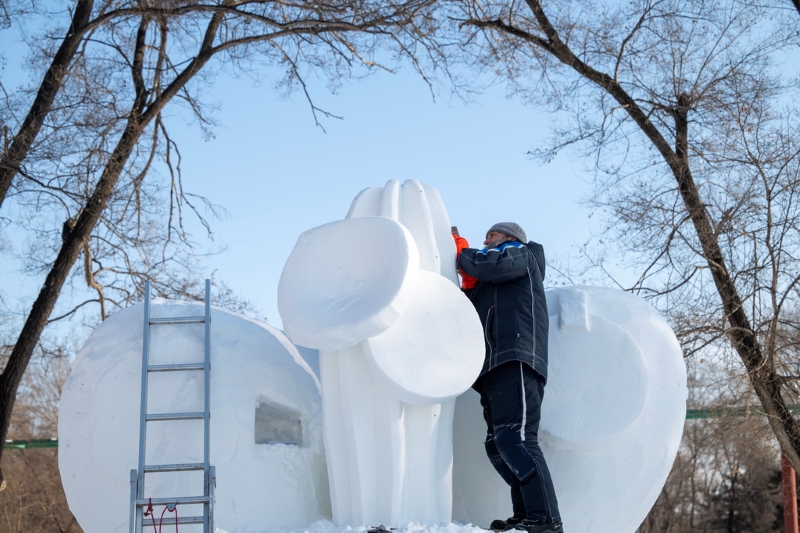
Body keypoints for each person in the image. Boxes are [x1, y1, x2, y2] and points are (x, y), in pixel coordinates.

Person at [454, 222, 563, 533]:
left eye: (493, 235)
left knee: (517, 438)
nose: (486, 240)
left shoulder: (519, 254)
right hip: (492, 367)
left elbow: (489, 264)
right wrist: (468, 283)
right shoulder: (490, 279)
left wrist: (462, 251)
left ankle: (546, 520)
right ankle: (526, 515)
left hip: (517, 356)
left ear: (510, 237)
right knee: (498, 444)